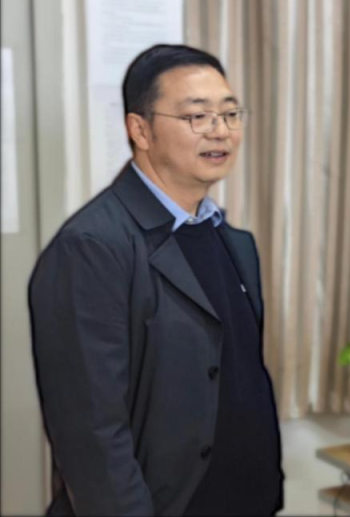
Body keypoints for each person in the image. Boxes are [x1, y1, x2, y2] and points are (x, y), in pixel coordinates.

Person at [29, 44, 284, 515]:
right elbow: (91, 435)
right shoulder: (91, 248)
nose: (220, 131)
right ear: (140, 129)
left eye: (230, 114)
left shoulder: (232, 240)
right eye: (197, 116)